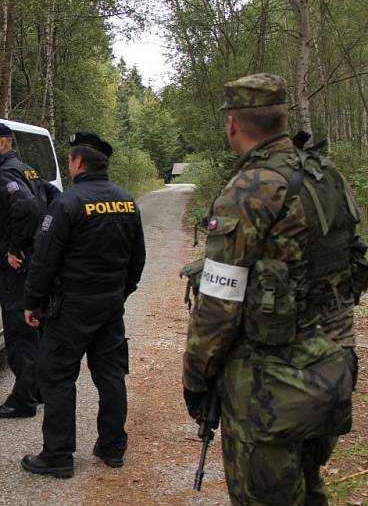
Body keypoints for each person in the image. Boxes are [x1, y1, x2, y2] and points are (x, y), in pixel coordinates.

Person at [182, 73, 364, 505]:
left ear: (232, 123)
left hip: (269, 387)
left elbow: (219, 301)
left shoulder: (251, 189)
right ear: (282, 119)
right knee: (309, 490)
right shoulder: (326, 175)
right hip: (332, 369)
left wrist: (196, 375)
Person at [20, 132, 146, 478]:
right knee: (111, 375)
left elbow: (44, 260)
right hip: (109, 303)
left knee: (58, 376)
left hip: (71, 307)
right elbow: (138, 259)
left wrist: (32, 302)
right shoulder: (126, 201)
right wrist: (120, 294)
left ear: (77, 163)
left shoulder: (67, 203)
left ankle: (58, 455)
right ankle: (112, 447)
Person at [0, 122, 60, 419]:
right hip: (33, 260)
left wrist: (15, 248)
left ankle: (23, 401)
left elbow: (27, 208)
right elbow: (52, 201)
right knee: (32, 330)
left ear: (3, 143)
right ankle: (36, 390)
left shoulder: (7, 174)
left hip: (18, 267)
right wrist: (41, 240)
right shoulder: (28, 170)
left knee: (19, 332)